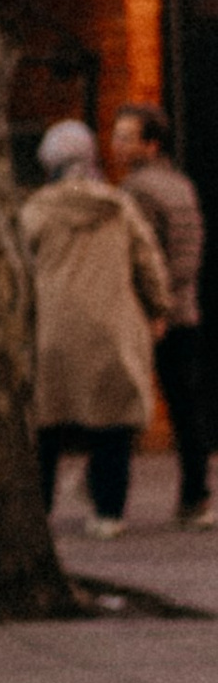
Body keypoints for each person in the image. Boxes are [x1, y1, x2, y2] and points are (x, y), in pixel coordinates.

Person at [23, 114, 170, 537]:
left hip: (51, 332)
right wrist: (158, 308)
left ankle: (42, 511)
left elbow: (17, 266)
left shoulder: (36, 211)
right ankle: (108, 513)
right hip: (112, 329)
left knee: (46, 428)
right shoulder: (117, 206)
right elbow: (148, 262)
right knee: (113, 426)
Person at [111, 102, 209, 528]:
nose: (115, 145)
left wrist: (155, 307)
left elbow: (142, 257)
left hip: (154, 313)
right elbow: (191, 251)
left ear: (151, 145)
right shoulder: (180, 185)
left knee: (118, 403)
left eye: (126, 137)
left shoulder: (139, 192)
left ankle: (105, 497)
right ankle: (196, 495)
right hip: (185, 308)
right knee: (187, 406)